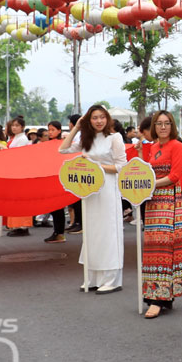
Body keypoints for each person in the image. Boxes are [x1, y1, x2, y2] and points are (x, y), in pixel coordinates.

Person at [59, 105, 128, 293]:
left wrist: (96, 167)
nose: (99, 121)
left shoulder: (115, 138)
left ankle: (112, 279)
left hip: (108, 189)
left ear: (108, 119)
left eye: (102, 117)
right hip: (90, 190)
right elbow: (63, 149)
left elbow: (122, 166)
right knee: (92, 233)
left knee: (108, 232)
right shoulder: (86, 139)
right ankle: (93, 278)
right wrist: (77, 127)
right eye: (94, 118)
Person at [142, 111, 182, 319]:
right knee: (152, 248)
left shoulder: (177, 146)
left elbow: (175, 175)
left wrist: (150, 184)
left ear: (172, 126)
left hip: (169, 200)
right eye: (159, 123)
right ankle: (157, 295)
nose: (162, 127)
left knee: (165, 248)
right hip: (152, 202)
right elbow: (146, 172)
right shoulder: (152, 147)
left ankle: (158, 299)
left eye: (167, 123)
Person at [4, 117, 33, 237]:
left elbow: (18, 155)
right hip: (13, 171)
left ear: (22, 127)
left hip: (20, 172)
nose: (14, 127)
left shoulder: (22, 139)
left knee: (20, 199)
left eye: (17, 125)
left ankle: (23, 226)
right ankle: (16, 225)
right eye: (13, 125)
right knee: (14, 199)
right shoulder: (15, 138)